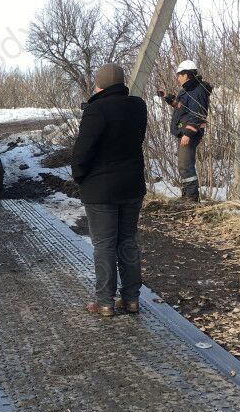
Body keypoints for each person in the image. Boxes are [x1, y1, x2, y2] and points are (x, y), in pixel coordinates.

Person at [72, 63, 148, 317]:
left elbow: (83, 150)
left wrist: (79, 176)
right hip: (132, 186)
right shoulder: (139, 106)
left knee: (104, 245)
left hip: (101, 188)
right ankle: (132, 299)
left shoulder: (96, 110)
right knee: (127, 241)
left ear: (100, 84)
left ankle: (105, 301)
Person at [158, 60, 214, 203]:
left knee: (185, 164)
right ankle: (187, 194)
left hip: (190, 133)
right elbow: (181, 107)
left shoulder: (198, 89)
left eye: (179, 75)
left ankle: (191, 197)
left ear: (187, 75)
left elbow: (198, 113)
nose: (178, 78)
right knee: (183, 164)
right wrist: (167, 97)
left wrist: (188, 133)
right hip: (184, 131)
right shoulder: (188, 90)